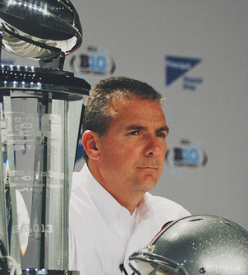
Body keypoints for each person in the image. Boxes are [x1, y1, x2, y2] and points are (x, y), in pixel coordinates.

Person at [69, 77, 190, 275]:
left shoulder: (175, 221)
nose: (155, 149)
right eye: (135, 133)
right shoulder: (54, 214)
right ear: (93, 145)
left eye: (160, 134)